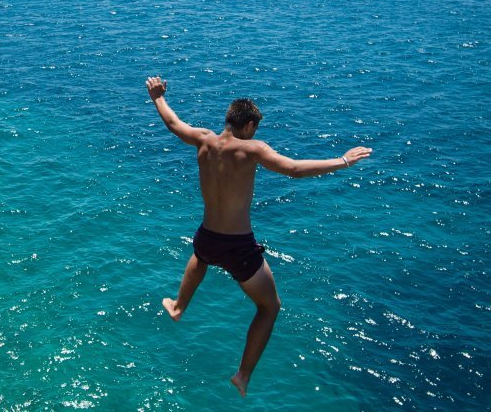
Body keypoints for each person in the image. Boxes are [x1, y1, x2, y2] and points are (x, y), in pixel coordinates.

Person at [146, 76, 372, 397]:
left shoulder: (203, 140)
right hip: (238, 247)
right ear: (249, 124)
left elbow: (172, 122)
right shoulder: (252, 149)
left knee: (201, 256)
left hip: (207, 236)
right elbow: (294, 168)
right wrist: (343, 160)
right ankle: (242, 375)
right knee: (269, 307)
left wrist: (157, 97)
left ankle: (179, 306)